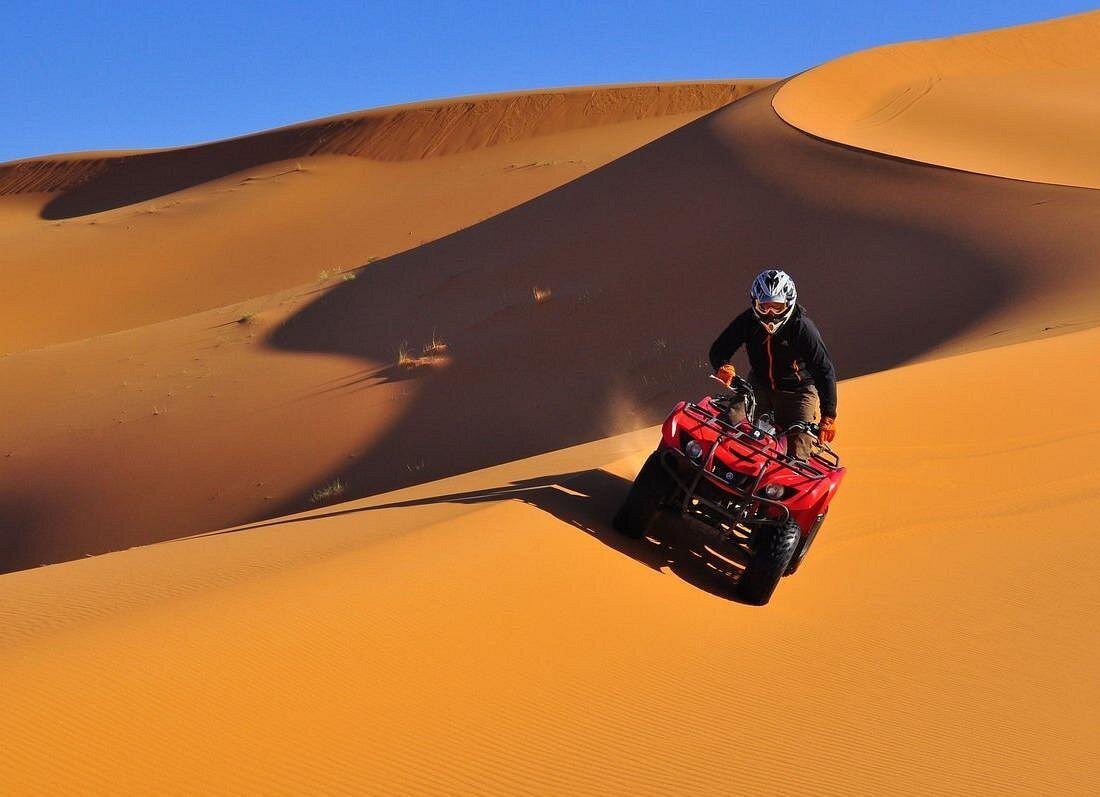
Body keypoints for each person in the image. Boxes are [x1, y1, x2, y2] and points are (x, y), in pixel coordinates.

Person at [708, 269, 837, 459]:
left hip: (798, 393)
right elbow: (719, 349)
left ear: (789, 303)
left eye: (776, 306)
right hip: (757, 386)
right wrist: (723, 366)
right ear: (755, 303)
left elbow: (824, 370)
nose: (769, 313)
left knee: (798, 453)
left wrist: (828, 416)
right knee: (728, 423)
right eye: (764, 306)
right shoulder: (748, 321)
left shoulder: (802, 328)